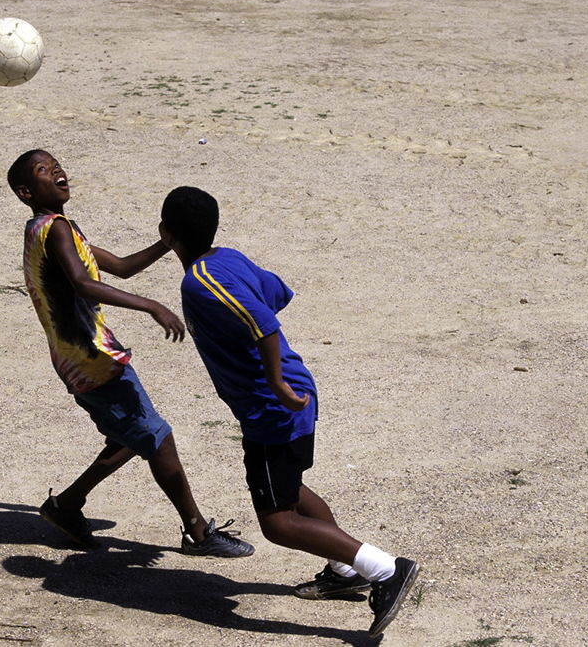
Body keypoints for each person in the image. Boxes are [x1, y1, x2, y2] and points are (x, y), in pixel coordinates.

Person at [159, 186, 420, 638]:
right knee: (290, 489)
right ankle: (344, 570)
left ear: (165, 233)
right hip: (287, 398)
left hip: (273, 406)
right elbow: (275, 292)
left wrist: (276, 383)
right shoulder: (228, 259)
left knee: (278, 523)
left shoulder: (199, 282)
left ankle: (386, 570)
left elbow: (265, 324)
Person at [7, 149, 253, 558]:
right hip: (92, 358)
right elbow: (83, 284)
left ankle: (67, 505)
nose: (57, 171)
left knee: (132, 434)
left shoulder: (50, 228)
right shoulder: (57, 230)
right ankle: (197, 532)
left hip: (76, 357)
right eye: (44, 170)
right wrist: (152, 306)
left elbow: (121, 266)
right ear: (25, 192)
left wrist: (166, 243)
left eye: (57, 164)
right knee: (156, 436)